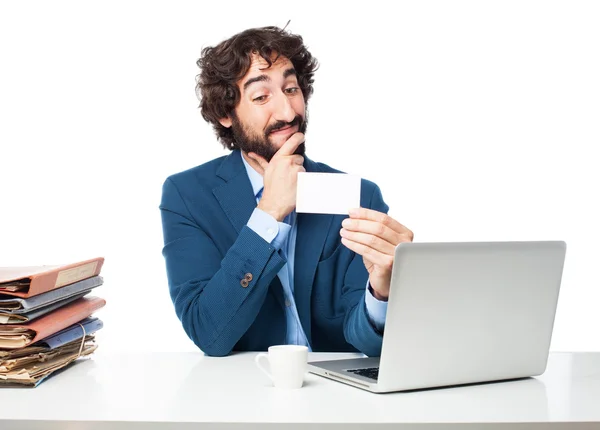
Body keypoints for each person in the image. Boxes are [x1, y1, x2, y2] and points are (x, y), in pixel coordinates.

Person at [160, 25, 414, 357]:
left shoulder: (359, 195)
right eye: (262, 96)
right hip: (243, 392)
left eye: (291, 89)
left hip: (334, 393)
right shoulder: (187, 195)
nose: (288, 112)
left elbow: (364, 342)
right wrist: (268, 214)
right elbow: (208, 334)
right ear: (225, 113)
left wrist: (382, 291)